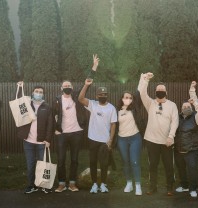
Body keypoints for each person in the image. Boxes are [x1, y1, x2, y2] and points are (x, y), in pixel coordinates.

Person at [52, 56, 98, 193]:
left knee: (74, 159)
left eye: (69, 86)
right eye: (65, 86)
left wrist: (94, 67)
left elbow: (87, 83)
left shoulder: (77, 98)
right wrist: (56, 129)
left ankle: (72, 183)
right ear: (61, 88)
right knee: (60, 160)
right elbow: (53, 116)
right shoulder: (57, 101)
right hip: (62, 134)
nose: (67, 87)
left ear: (72, 88)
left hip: (76, 133)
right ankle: (61, 183)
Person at [78, 58, 117, 193]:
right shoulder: (93, 104)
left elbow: (113, 125)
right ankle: (94, 184)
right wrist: (86, 85)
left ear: (107, 95)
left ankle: (103, 184)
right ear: (97, 95)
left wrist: (110, 140)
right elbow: (80, 98)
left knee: (104, 163)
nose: (102, 96)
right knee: (93, 162)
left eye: (105, 94)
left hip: (105, 140)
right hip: (93, 139)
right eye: (100, 94)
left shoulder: (111, 108)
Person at [137, 73, 179, 196]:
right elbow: (142, 93)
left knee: (168, 166)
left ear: (166, 92)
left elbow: (175, 122)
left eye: (162, 90)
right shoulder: (150, 103)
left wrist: (171, 136)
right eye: (158, 90)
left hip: (167, 141)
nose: (160, 91)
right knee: (153, 166)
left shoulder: (172, 105)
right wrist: (146, 80)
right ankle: (152, 187)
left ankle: (170, 187)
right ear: (155, 92)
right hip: (151, 140)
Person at [16, 82, 54, 194]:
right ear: (32, 93)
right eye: (36, 91)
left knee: (42, 164)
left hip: (42, 142)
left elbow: (50, 125)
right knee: (30, 164)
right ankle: (30, 185)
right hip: (28, 141)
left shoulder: (47, 107)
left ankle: (43, 185)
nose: (38, 93)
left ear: (43, 95)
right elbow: (18, 100)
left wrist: (48, 140)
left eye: (41, 92)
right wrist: (19, 87)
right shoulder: (27, 104)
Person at [174, 97, 198, 198]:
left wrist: (195, 103)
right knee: (181, 168)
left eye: (188, 106)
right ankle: (184, 186)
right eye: (184, 106)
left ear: (191, 108)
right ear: (181, 108)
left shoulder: (196, 117)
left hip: (192, 149)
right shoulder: (177, 117)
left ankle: (193, 189)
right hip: (178, 148)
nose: (186, 108)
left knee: (192, 169)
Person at [116, 91, 145, 196]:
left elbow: (140, 91)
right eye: (126, 97)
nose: (128, 99)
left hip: (135, 138)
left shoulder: (135, 108)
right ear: (122, 98)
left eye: (130, 97)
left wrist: (144, 79)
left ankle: (138, 185)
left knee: (134, 161)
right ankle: (129, 183)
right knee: (125, 162)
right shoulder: (117, 110)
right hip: (122, 139)